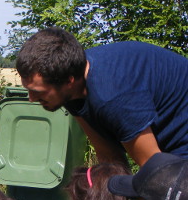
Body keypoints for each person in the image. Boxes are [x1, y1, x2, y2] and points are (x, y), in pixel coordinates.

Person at [15, 27, 188, 167]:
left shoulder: (113, 96)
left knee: (165, 199)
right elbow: (109, 157)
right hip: (166, 142)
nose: (31, 98)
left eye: (38, 91)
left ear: (69, 81)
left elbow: (154, 169)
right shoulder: (70, 84)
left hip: (181, 135)